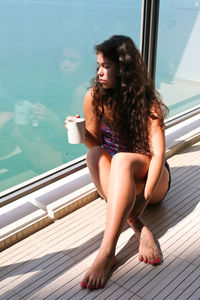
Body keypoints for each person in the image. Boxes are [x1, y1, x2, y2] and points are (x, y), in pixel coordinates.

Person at [65, 35, 171, 290]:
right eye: (99, 66)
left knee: (122, 160)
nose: (100, 72)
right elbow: (96, 143)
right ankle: (137, 225)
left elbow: (158, 155)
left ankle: (107, 251)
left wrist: (144, 198)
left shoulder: (147, 102)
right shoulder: (94, 97)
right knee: (93, 155)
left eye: (107, 66)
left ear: (123, 68)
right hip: (119, 182)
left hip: (150, 179)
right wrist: (80, 134)